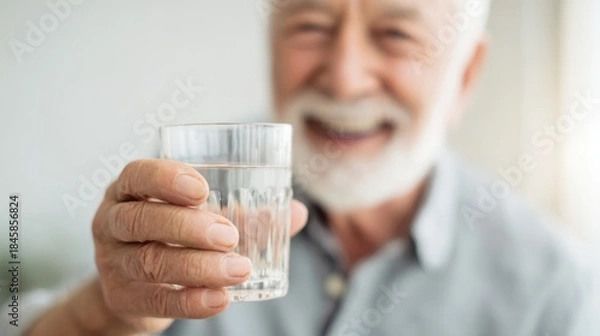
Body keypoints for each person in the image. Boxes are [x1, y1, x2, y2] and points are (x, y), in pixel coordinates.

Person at [18, 0, 597, 335]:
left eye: (395, 34)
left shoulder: (552, 289)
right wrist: (103, 315)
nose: (344, 77)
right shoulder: (188, 195)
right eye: (311, 27)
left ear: (466, 75)